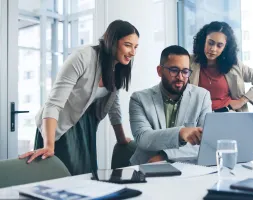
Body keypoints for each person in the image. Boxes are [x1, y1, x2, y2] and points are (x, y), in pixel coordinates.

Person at [19, 20, 140, 175]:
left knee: (85, 176)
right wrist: (49, 145)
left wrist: (121, 139)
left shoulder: (118, 67)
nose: (133, 52)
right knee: (64, 177)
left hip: (85, 124)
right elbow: (53, 103)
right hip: (58, 123)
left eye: (136, 47)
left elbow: (113, 104)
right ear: (112, 41)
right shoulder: (84, 57)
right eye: (128, 45)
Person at [129, 45, 212, 165]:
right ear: (159, 71)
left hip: (187, 167)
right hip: (146, 166)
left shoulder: (202, 96)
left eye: (185, 71)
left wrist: (165, 155)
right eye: (174, 70)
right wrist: (180, 133)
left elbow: (206, 142)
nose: (180, 77)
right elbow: (143, 138)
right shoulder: (139, 99)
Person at [190, 21, 253, 112]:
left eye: (219, 45)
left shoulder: (234, 65)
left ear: (225, 48)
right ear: (203, 41)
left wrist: (242, 101)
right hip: (198, 118)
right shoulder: (189, 62)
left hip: (228, 116)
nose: (213, 49)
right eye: (210, 43)